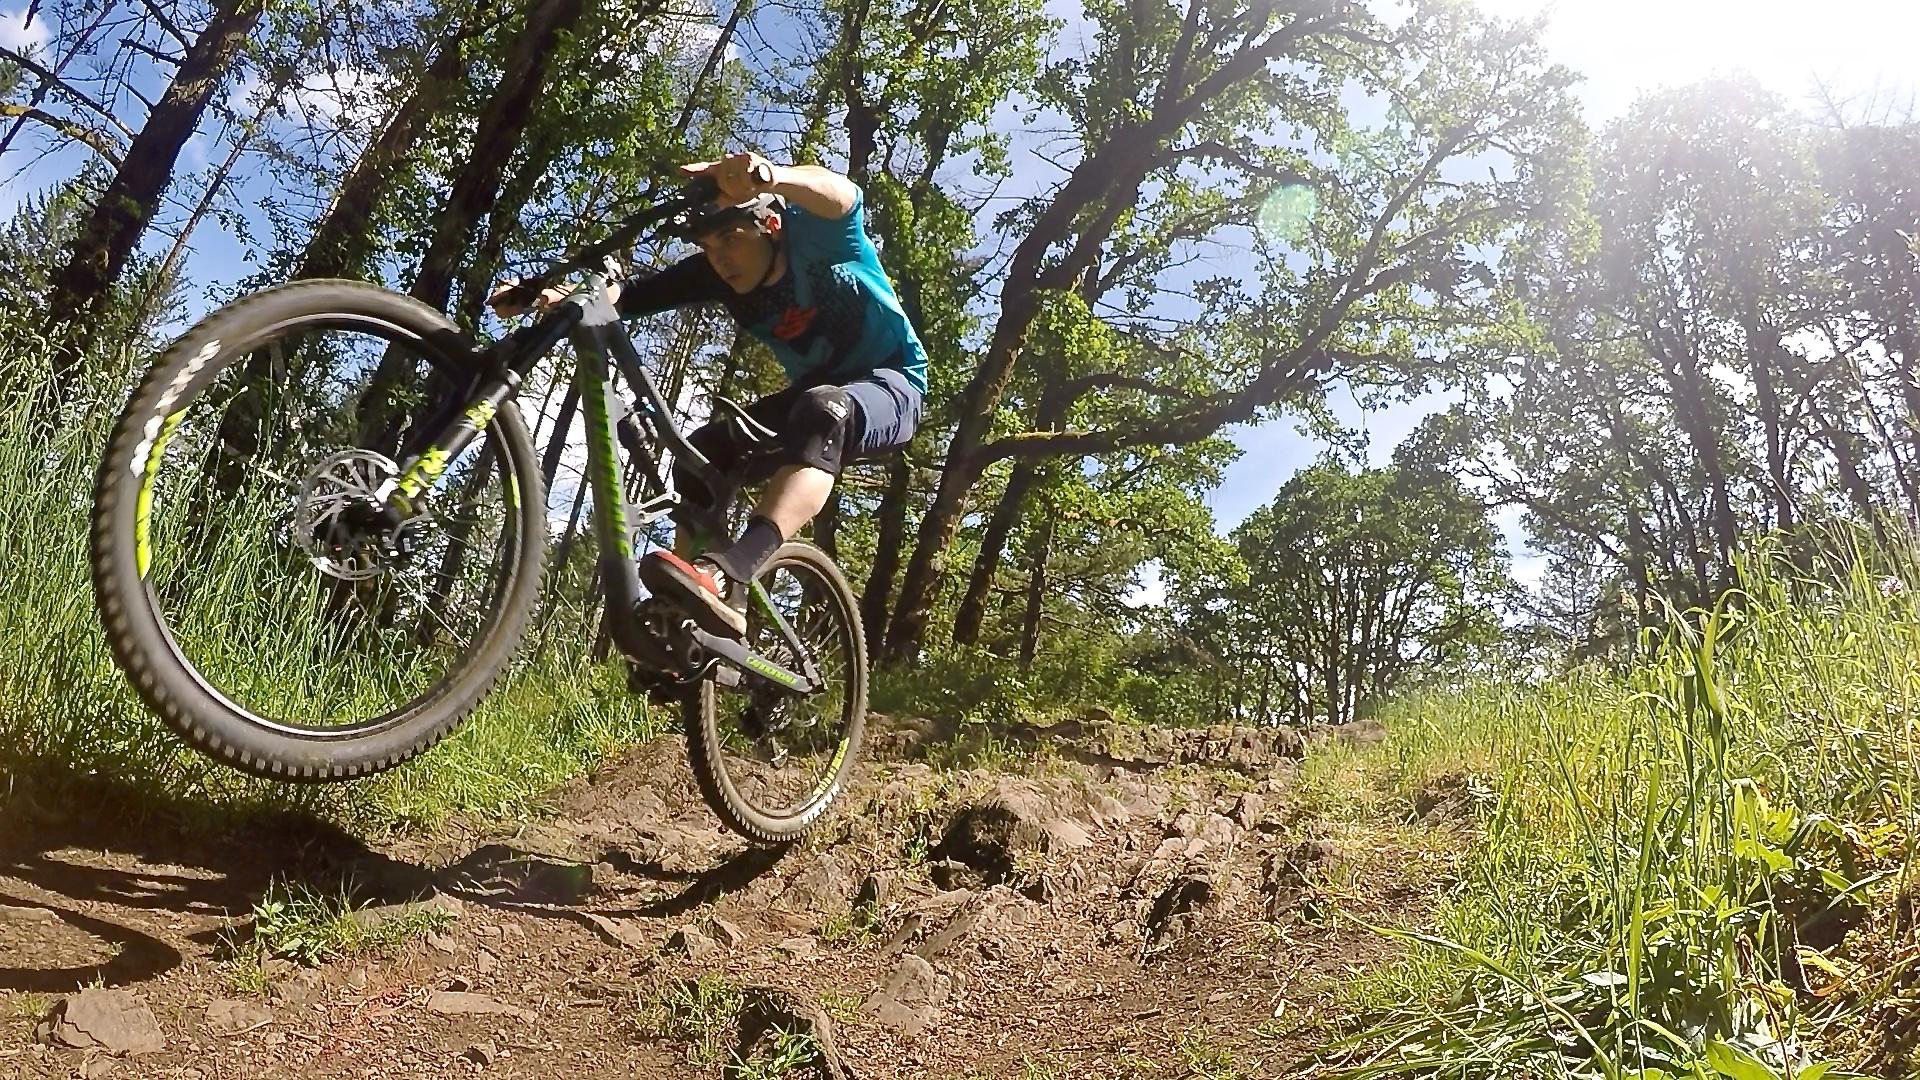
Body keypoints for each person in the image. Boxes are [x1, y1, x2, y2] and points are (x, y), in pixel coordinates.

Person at [489, 152, 927, 637]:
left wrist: (774, 177)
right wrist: (546, 297)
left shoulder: (815, 237)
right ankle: (698, 605)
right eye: (706, 244)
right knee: (705, 454)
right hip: (810, 394)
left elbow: (844, 196)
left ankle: (732, 567)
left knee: (824, 410)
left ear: (771, 225)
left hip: (892, 382)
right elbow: (626, 298)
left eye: (730, 237)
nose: (719, 257)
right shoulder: (714, 274)